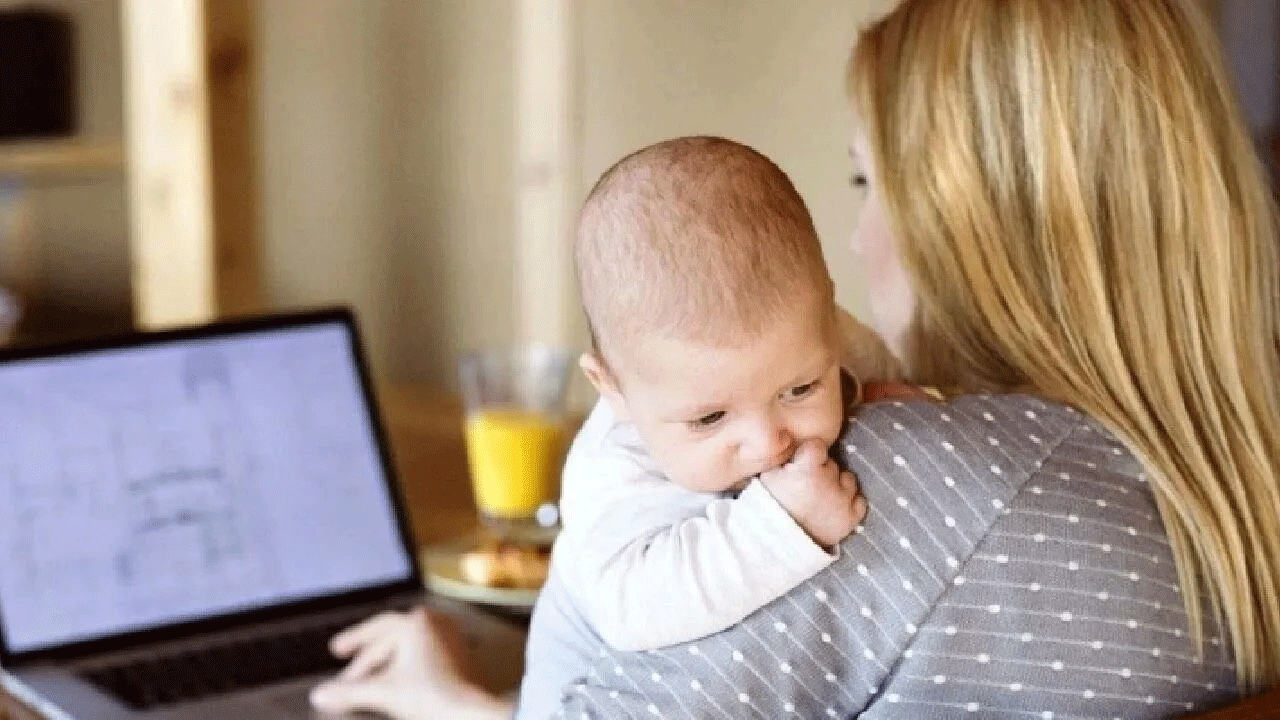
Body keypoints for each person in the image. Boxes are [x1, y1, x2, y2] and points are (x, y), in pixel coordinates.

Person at [311, 0, 1280, 717]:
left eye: (867, 180)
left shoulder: (882, 487)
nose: (856, 241)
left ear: (971, 222)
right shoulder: (1236, 480)